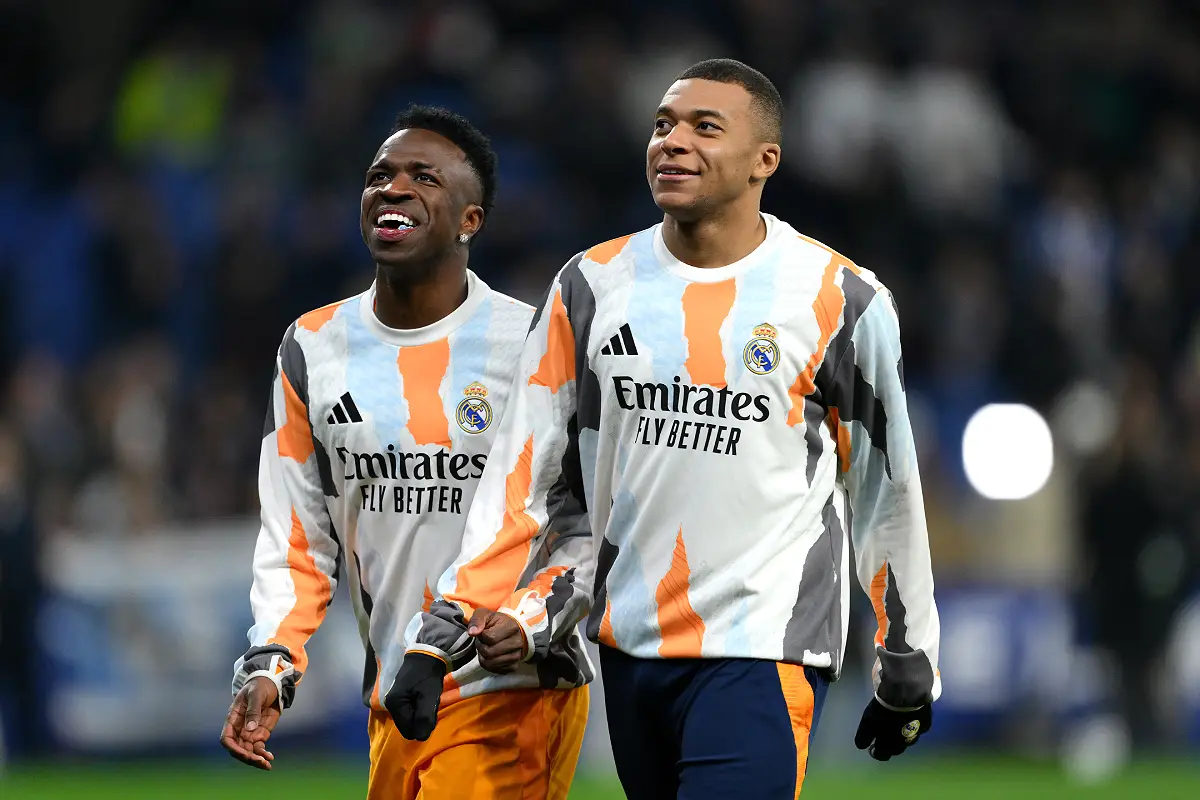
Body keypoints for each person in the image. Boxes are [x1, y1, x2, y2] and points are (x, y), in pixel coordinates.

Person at [390, 59, 941, 798]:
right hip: (631, 654)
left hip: (761, 652)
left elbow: (886, 489)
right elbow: (525, 483)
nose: (672, 142)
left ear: (763, 161)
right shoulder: (590, 286)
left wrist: (907, 654)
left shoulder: (841, 300)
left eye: (704, 127)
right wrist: (444, 634)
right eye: (662, 126)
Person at [217, 105, 590, 800]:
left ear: (470, 220)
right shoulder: (311, 348)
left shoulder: (535, 344)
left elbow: (589, 524)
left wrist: (531, 617)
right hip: (397, 696)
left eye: (424, 177)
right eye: (379, 175)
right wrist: (272, 660)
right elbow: (298, 538)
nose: (393, 188)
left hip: (509, 689)